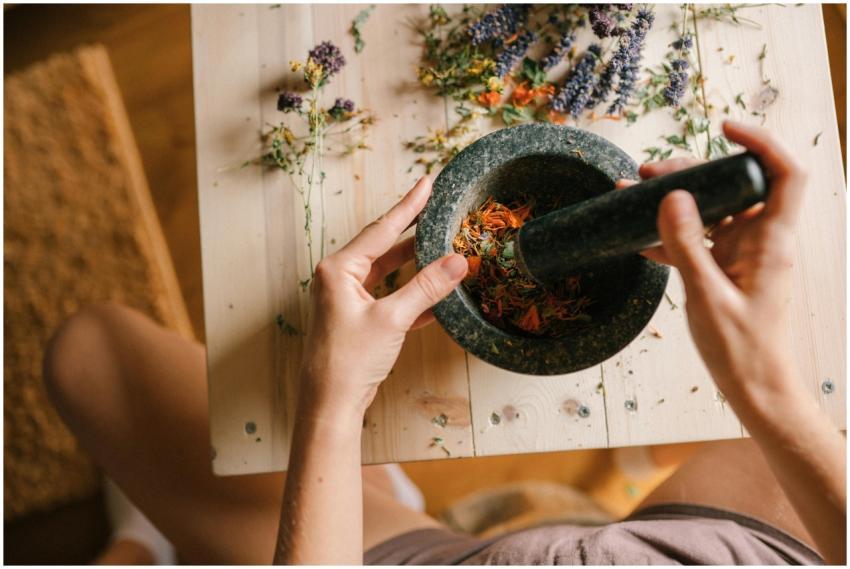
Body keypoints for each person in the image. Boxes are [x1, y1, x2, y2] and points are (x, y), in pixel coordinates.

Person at [44, 121, 845, 565]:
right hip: (732, 549)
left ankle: (140, 549)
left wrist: (334, 401)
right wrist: (773, 395)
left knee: (86, 352)